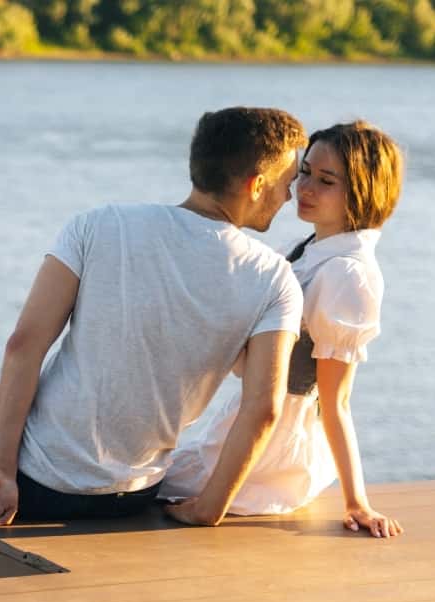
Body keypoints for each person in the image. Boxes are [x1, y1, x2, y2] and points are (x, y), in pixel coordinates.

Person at [0, 106, 308, 590]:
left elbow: (24, 345)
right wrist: (210, 506)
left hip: (33, 470)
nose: (289, 194)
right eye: (287, 181)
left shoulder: (101, 225)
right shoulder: (274, 280)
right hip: (129, 494)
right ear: (255, 183)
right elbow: (263, 406)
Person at [160, 120, 405, 538]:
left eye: (326, 180)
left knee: (133, 488)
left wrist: (356, 502)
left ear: (364, 189)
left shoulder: (348, 274)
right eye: (305, 172)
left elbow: (335, 399)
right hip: (249, 421)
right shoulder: (310, 250)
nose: (305, 188)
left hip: (275, 452)